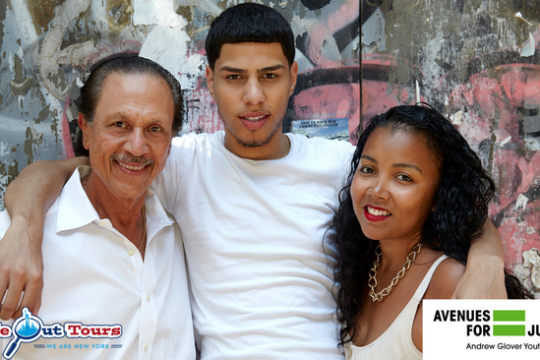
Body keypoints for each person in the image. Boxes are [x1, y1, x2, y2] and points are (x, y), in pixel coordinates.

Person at [0, 4, 506, 360]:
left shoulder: (348, 168)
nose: (253, 96)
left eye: (269, 75)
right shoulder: (176, 164)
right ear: (211, 80)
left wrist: (487, 266)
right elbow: (55, 173)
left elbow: (459, 207)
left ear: (291, 75)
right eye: (235, 76)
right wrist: (21, 227)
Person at [0, 56, 195, 359]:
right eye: (119, 124)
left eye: (155, 129)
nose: (136, 147)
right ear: (86, 130)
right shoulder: (15, 246)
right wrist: (23, 224)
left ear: (170, 142)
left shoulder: (180, 231)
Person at [332, 104, 532, 360]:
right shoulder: (361, 263)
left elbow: (516, 344)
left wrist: (489, 263)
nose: (377, 190)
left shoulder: (451, 281)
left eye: (404, 177)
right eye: (368, 170)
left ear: (438, 196)